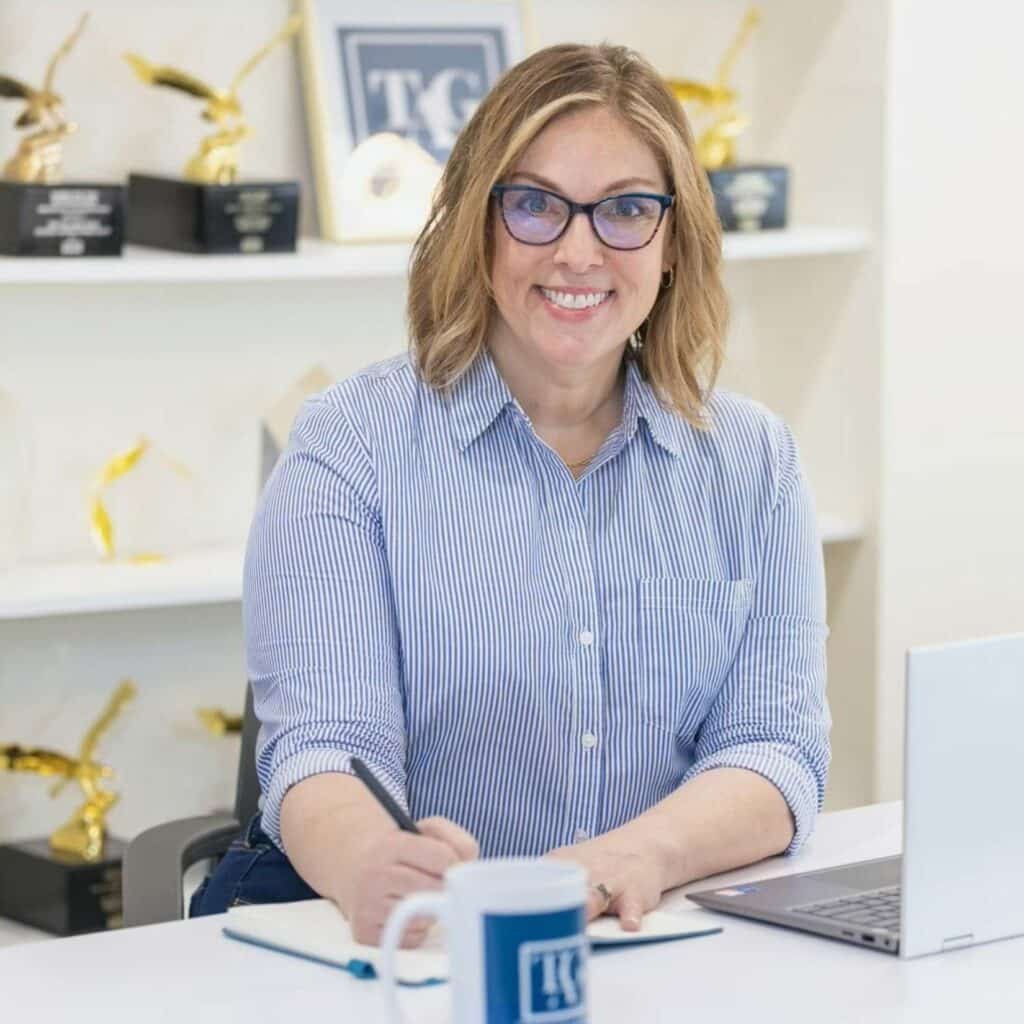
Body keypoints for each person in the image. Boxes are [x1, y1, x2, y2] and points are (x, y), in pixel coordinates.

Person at [190, 42, 831, 948]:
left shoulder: (754, 463)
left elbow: (779, 752)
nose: (578, 251)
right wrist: (376, 864)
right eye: (533, 205)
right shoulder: (351, 447)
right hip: (400, 953)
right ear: (476, 226)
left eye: (625, 210)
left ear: (674, 239)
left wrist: (627, 859)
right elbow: (326, 748)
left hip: (645, 940)